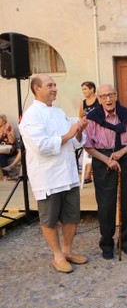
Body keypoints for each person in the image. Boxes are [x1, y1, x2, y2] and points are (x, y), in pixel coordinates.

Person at [19, 74, 88, 273]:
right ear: (36, 89)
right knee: (49, 219)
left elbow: (74, 142)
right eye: (50, 85)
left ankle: (67, 250)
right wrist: (70, 132)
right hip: (48, 177)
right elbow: (43, 146)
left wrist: (79, 130)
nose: (55, 88)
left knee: (72, 216)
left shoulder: (58, 112)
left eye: (55, 84)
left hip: (68, 174)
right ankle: (57, 255)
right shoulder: (31, 116)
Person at [84, 84, 127, 260]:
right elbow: (88, 146)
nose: (108, 99)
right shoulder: (93, 117)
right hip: (102, 158)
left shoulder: (126, 114)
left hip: (124, 156)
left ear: (116, 95)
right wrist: (108, 160)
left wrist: (122, 152)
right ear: (99, 99)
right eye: (103, 96)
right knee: (106, 204)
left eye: (111, 95)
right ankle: (107, 244)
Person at [79, 81, 99, 184]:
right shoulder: (83, 103)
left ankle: (88, 172)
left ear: (92, 89)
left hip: (98, 130)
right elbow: (81, 116)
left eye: (85, 89)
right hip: (87, 130)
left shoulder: (98, 100)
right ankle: (87, 172)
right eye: (82, 89)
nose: (83, 91)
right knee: (87, 148)